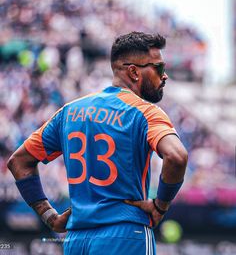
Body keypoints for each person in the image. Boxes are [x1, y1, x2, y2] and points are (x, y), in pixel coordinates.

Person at [8, 31, 188, 255]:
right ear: (133, 72)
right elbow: (177, 157)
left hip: (76, 240)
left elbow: (19, 161)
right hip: (125, 235)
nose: (165, 76)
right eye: (159, 68)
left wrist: (48, 215)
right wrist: (161, 205)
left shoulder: (69, 112)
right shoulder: (145, 113)